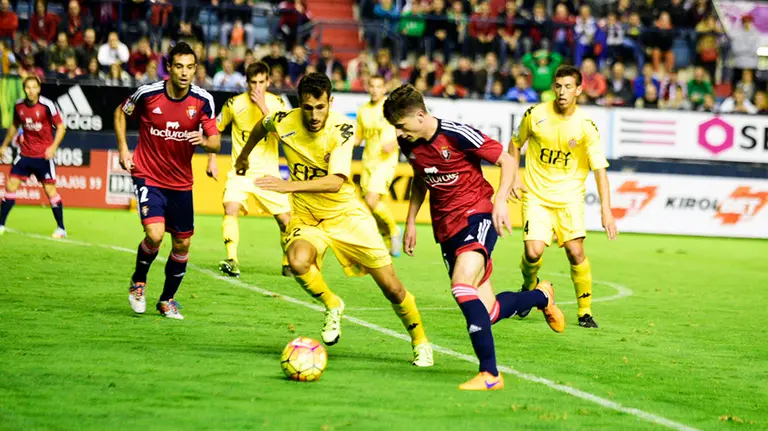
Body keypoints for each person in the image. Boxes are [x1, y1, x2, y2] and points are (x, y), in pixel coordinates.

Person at [235, 72, 433, 367]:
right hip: (309, 218)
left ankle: (420, 342)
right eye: (308, 107)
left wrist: (288, 186)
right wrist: (243, 156)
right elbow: (261, 126)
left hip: (347, 216)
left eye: (320, 107)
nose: (314, 115)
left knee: (392, 288)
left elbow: (335, 182)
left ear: (330, 102)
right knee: (297, 260)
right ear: (299, 104)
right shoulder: (283, 120)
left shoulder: (342, 127)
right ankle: (333, 304)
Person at [382, 84, 565, 391]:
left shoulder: (456, 134)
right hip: (445, 229)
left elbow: (507, 160)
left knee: (461, 284)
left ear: (420, 115)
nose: (398, 133)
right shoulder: (409, 143)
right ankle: (542, 296)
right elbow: (420, 179)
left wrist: (501, 202)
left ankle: (490, 374)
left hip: (477, 215)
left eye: (401, 126)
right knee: (489, 310)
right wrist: (411, 221)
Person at [114, 42, 221, 320]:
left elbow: (216, 141)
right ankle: (139, 282)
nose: (184, 73)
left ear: (195, 69)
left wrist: (206, 142)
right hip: (148, 175)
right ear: (169, 68)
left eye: (190, 67)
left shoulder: (203, 100)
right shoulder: (148, 94)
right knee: (155, 234)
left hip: (181, 183)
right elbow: (120, 112)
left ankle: (166, 300)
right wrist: (125, 150)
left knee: (182, 245)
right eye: (179, 67)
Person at [509, 65, 618, 329]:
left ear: (579, 90)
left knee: (575, 251)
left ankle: (585, 311)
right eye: (558, 86)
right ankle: (528, 288)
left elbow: (599, 169)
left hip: (569, 198)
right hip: (536, 195)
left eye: (568, 86)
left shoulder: (586, 126)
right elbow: (514, 143)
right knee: (533, 251)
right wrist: (513, 176)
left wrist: (607, 210)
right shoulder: (535, 114)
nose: (562, 91)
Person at [208, 62, 292, 278]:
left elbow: (285, 136)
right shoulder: (234, 104)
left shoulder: (277, 103)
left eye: (261, 82)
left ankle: (287, 263)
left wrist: (264, 107)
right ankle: (232, 259)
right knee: (230, 208)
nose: (257, 87)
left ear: (269, 82)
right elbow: (214, 130)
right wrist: (212, 159)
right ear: (246, 82)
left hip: (268, 175)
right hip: (241, 173)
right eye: (253, 82)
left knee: (286, 221)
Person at [0, 76, 67, 237]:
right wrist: (4, 145)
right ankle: (1, 225)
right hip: (25, 154)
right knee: (10, 187)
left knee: (50, 191)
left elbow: (61, 127)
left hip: (44, 156)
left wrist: (53, 147)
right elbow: (15, 126)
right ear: (24, 89)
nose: (31, 91)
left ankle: (61, 228)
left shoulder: (47, 105)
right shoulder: (18, 106)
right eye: (28, 87)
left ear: (39, 89)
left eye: (34, 87)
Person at [355, 75, 402, 256]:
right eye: (372, 86)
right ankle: (388, 235)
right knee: (372, 206)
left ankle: (393, 231)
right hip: (368, 161)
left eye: (378, 86)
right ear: (368, 87)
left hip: (385, 161)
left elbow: (404, 128)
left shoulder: (390, 108)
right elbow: (359, 137)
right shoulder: (362, 111)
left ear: (384, 89)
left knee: (371, 201)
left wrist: (395, 142)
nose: (375, 89)